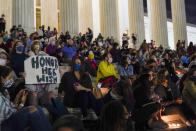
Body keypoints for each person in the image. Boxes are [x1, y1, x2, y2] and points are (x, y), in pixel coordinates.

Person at [0, 65, 51, 131]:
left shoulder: (4, 90)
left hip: (10, 116)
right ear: (1, 78)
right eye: (9, 78)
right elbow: (11, 113)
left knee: (38, 108)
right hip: (4, 124)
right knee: (33, 110)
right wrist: (22, 104)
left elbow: (11, 106)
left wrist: (17, 97)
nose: (11, 80)